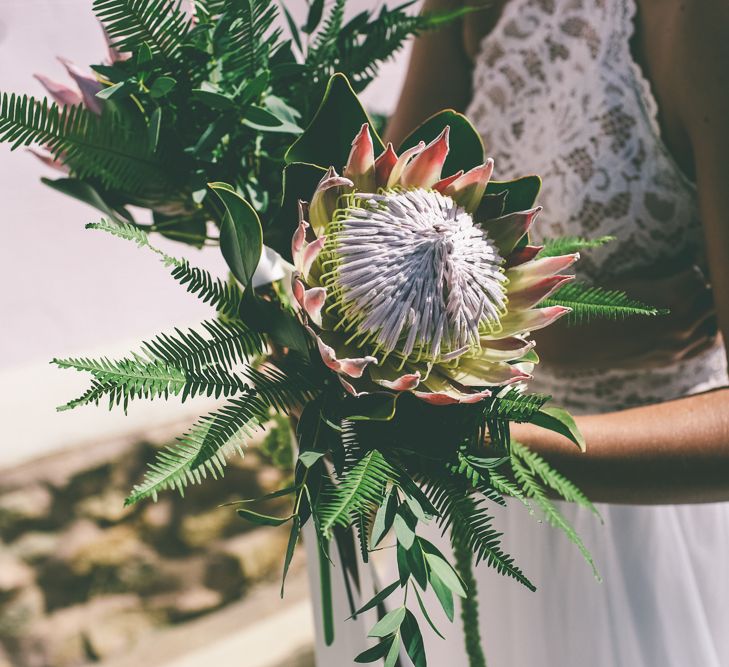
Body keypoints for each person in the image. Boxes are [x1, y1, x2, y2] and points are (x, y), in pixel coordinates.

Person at [309, 0, 729, 665]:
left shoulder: (701, 23)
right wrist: (545, 339)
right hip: (481, 527)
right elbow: (366, 256)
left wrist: (491, 446)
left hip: (642, 513)